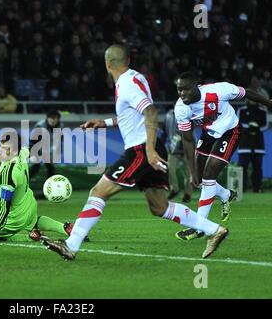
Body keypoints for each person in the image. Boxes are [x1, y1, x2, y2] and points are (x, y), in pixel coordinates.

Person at [41, 44, 228, 261]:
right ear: (128, 61)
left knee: (98, 192)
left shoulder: (127, 84)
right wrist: (105, 122)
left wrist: (148, 150)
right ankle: (214, 230)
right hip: (150, 148)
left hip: (141, 149)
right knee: (159, 207)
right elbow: (136, 114)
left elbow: (150, 112)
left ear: (107, 64)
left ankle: (71, 246)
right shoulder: (135, 78)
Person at [174, 72, 272, 240]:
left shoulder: (219, 90)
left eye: (186, 89)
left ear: (196, 86)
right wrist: (191, 172)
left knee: (208, 176)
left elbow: (246, 93)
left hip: (230, 132)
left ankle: (200, 227)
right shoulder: (181, 108)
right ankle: (226, 195)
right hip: (208, 134)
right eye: (179, 90)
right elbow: (188, 140)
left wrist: (269, 103)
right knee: (200, 179)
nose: (182, 93)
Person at [0, 134, 74, 244]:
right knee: (34, 222)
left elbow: (4, 209)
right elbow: (32, 149)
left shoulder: (8, 175)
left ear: (14, 151)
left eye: (4, 148)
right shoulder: (21, 153)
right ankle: (65, 228)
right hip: (29, 204)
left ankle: (31, 238)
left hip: (16, 217)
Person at [237, 86, 269, 193]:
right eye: (250, 97)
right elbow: (238, 124)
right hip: (244, 144)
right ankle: (242, 188)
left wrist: (257, 128)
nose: (252, 100)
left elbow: (265, 125)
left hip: (258, 144)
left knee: (257, 168)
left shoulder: (262, 111)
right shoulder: (241, 110)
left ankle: (257, 188)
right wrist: (248, 127)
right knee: (243, 167)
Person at [164, 108, 192, 203]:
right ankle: (174, 189)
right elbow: (165, 131)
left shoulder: (189, 114)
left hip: (187, 148)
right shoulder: (169, 115)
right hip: (173, 148)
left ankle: (187, 194)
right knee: (169, 169)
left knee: (189, 173)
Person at [29, 109, 64, 180]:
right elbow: (33, 142)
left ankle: (50, 184)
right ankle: (25, 180)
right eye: (51, 118)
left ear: (58, 119)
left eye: (55, 118)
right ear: (47, 118)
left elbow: (59, 141)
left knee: (51, 166)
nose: (53, 120)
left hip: (48, 147)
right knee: (36, 165)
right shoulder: (40, 126)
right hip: (36, 145)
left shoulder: (60, 126)